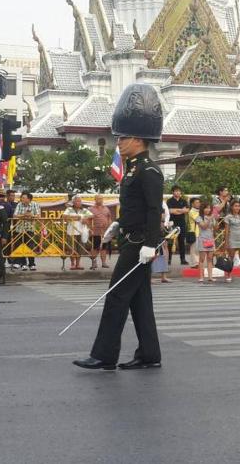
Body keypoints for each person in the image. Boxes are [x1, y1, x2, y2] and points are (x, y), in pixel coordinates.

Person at [73, 83, 164, 371]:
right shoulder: (134, 168)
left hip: (140, 245)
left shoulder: (149, 171)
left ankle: (104, 355)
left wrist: (150, 244)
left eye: (123, 137)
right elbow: (135, 208)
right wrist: (117, 224)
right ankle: (149, 354)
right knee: (139, 302)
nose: (120, 142)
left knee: (116, 297)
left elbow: (152, 211)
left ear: (138, 139)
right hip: (130, 239)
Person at [63, 195, 93, 270]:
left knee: (80, 248)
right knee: (72, 248)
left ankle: (78, 264)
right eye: (77, 201)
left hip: (81, 232)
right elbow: (64, 216)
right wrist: (78, 217)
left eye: (80, 201)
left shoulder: (84, 210)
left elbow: (92, 215)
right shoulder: (69, 209)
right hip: (71, 232)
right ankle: (72, 264)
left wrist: (85, 218)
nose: (79, 202)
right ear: (73, 202)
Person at [12, 191, 41, 271]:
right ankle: (23, 264)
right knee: (20, 246)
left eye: (24, 198)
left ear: (29, 199)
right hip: (19, 229)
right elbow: (15, 215)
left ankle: (32, 264)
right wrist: (24, 215)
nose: (22, 199)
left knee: (30, 246)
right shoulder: (19, 204)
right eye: (21, 197)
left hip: (30, 229)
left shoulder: (35, 204)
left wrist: (32, 216)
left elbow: (38, 216)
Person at [224, 200, 240, 282]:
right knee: (231, 258)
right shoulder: (228, 217)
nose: (237, 207)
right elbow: (226, 230)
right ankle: (229, 275)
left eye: (238, 206)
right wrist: (226, 242)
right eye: (235, 206)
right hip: (232, 238)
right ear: (231, 207)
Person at [166, 185, 189, 265]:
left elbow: (186, 210)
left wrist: (178, 210)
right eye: (176, 191)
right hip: (172, 223)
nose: (178, 192)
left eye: (179, 191)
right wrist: (180, 210)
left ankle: (183, 259)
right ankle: (169, 259)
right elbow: (170, 211)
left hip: (182, 223)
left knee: (181, 241)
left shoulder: (184, 201)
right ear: (173, 192)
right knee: (171, 241)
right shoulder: (169, 201)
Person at [89, 194, 112, 269]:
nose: (100, 200)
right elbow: (87, 220)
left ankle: (104, 263)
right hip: (95, 232)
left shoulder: (106, 208)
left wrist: (110, 228)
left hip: (105, 232)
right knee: (95, 248)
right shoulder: (90, 209)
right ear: (95, 200)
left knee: (103, 248)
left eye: (101, 199)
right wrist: (90, 228)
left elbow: (109, 218)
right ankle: (94, 263)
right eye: (98, 199)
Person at [196, 202, 217, 283]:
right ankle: (201, 277)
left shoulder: (211, 217)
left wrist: (216, 219)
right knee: (201, 259)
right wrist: (210, 219)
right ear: (202, 209)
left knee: (210, 259)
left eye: (209, 208)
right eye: (206, 208)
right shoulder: (199, 217)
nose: (208, 210)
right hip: (202, 239)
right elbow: (204, 226)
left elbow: (215, 228)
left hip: (210, 239)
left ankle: (210, 277)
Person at [152, 201, 172, 283]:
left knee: (164, 251)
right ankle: (148, 277)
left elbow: (166, 215)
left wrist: (165, 223)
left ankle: (164, 276)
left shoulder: (162, 203)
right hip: (151, 230)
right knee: (152, 252)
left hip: (161, 230)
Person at [187, 197, 201, 268]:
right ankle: (194, 264)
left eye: (199, 202)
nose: (198, 204)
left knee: (198, 249)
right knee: (194, 249)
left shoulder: (198, 211)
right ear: (192, 204)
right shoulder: (192, 211)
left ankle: (198, 263)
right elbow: (198, 219)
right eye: (196, 203)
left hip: (199, 232)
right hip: (194, 232)